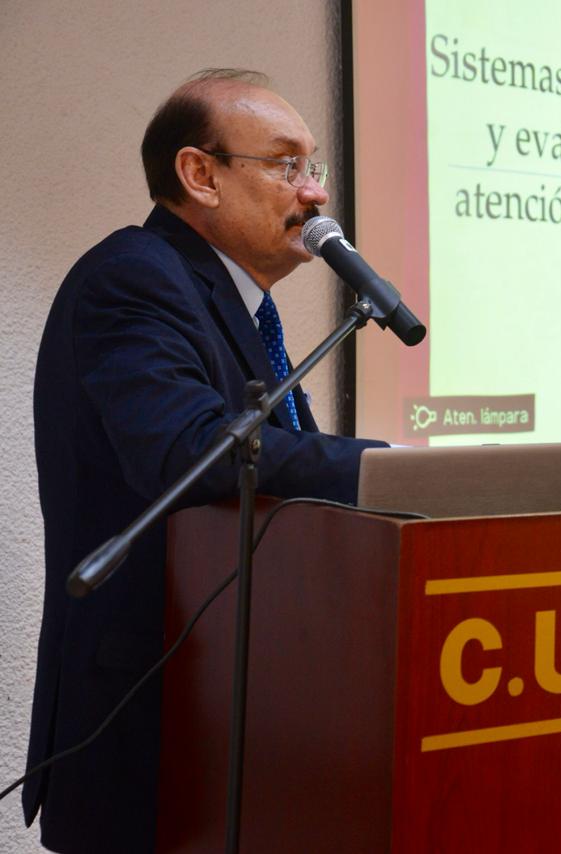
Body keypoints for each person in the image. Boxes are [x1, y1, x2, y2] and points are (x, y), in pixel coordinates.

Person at [24, 69, 386, 853]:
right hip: (149, 720)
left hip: (226, 712)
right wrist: (385, 470)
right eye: (286, 165)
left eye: (313, 167)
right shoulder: (135, 278)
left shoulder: (229, 304)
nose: (315, 194)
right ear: (200, 174)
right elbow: (190, 450)